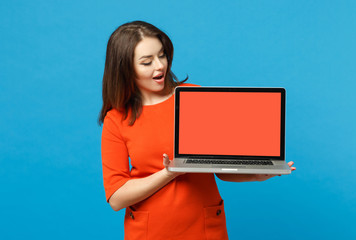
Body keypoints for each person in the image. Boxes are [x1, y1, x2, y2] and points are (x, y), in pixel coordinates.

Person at [99, 21, 296, 240]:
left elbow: (219, 168)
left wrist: (258, 175)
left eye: (162, 55)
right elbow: (117, 198)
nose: (160, 66)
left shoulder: (194, 97)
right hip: (150, 231)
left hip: (205, 228)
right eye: (147, 62)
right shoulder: (116, 119)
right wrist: (169, 173)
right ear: (125, 69)